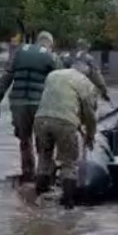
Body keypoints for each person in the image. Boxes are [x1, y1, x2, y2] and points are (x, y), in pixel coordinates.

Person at [0, 31, 62, 181]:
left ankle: (28, 174)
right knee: (43, 141)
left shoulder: (19, 52)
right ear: (50, 44)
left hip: (18, 103)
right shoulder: (52, 57)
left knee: (24, 139)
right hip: (39, 105)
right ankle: (45, 174)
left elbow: (6, 78)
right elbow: (60, 84)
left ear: (37, 42)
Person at [33, 58, 99, 209]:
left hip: (40, 119)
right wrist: (90, 135)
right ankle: (68, 203)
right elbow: (90, 115)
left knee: (44, 157)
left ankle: (40, 195)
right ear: (86, 72)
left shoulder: (53, 75)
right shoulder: (86, 83)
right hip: (65, 123)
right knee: (69, 162)